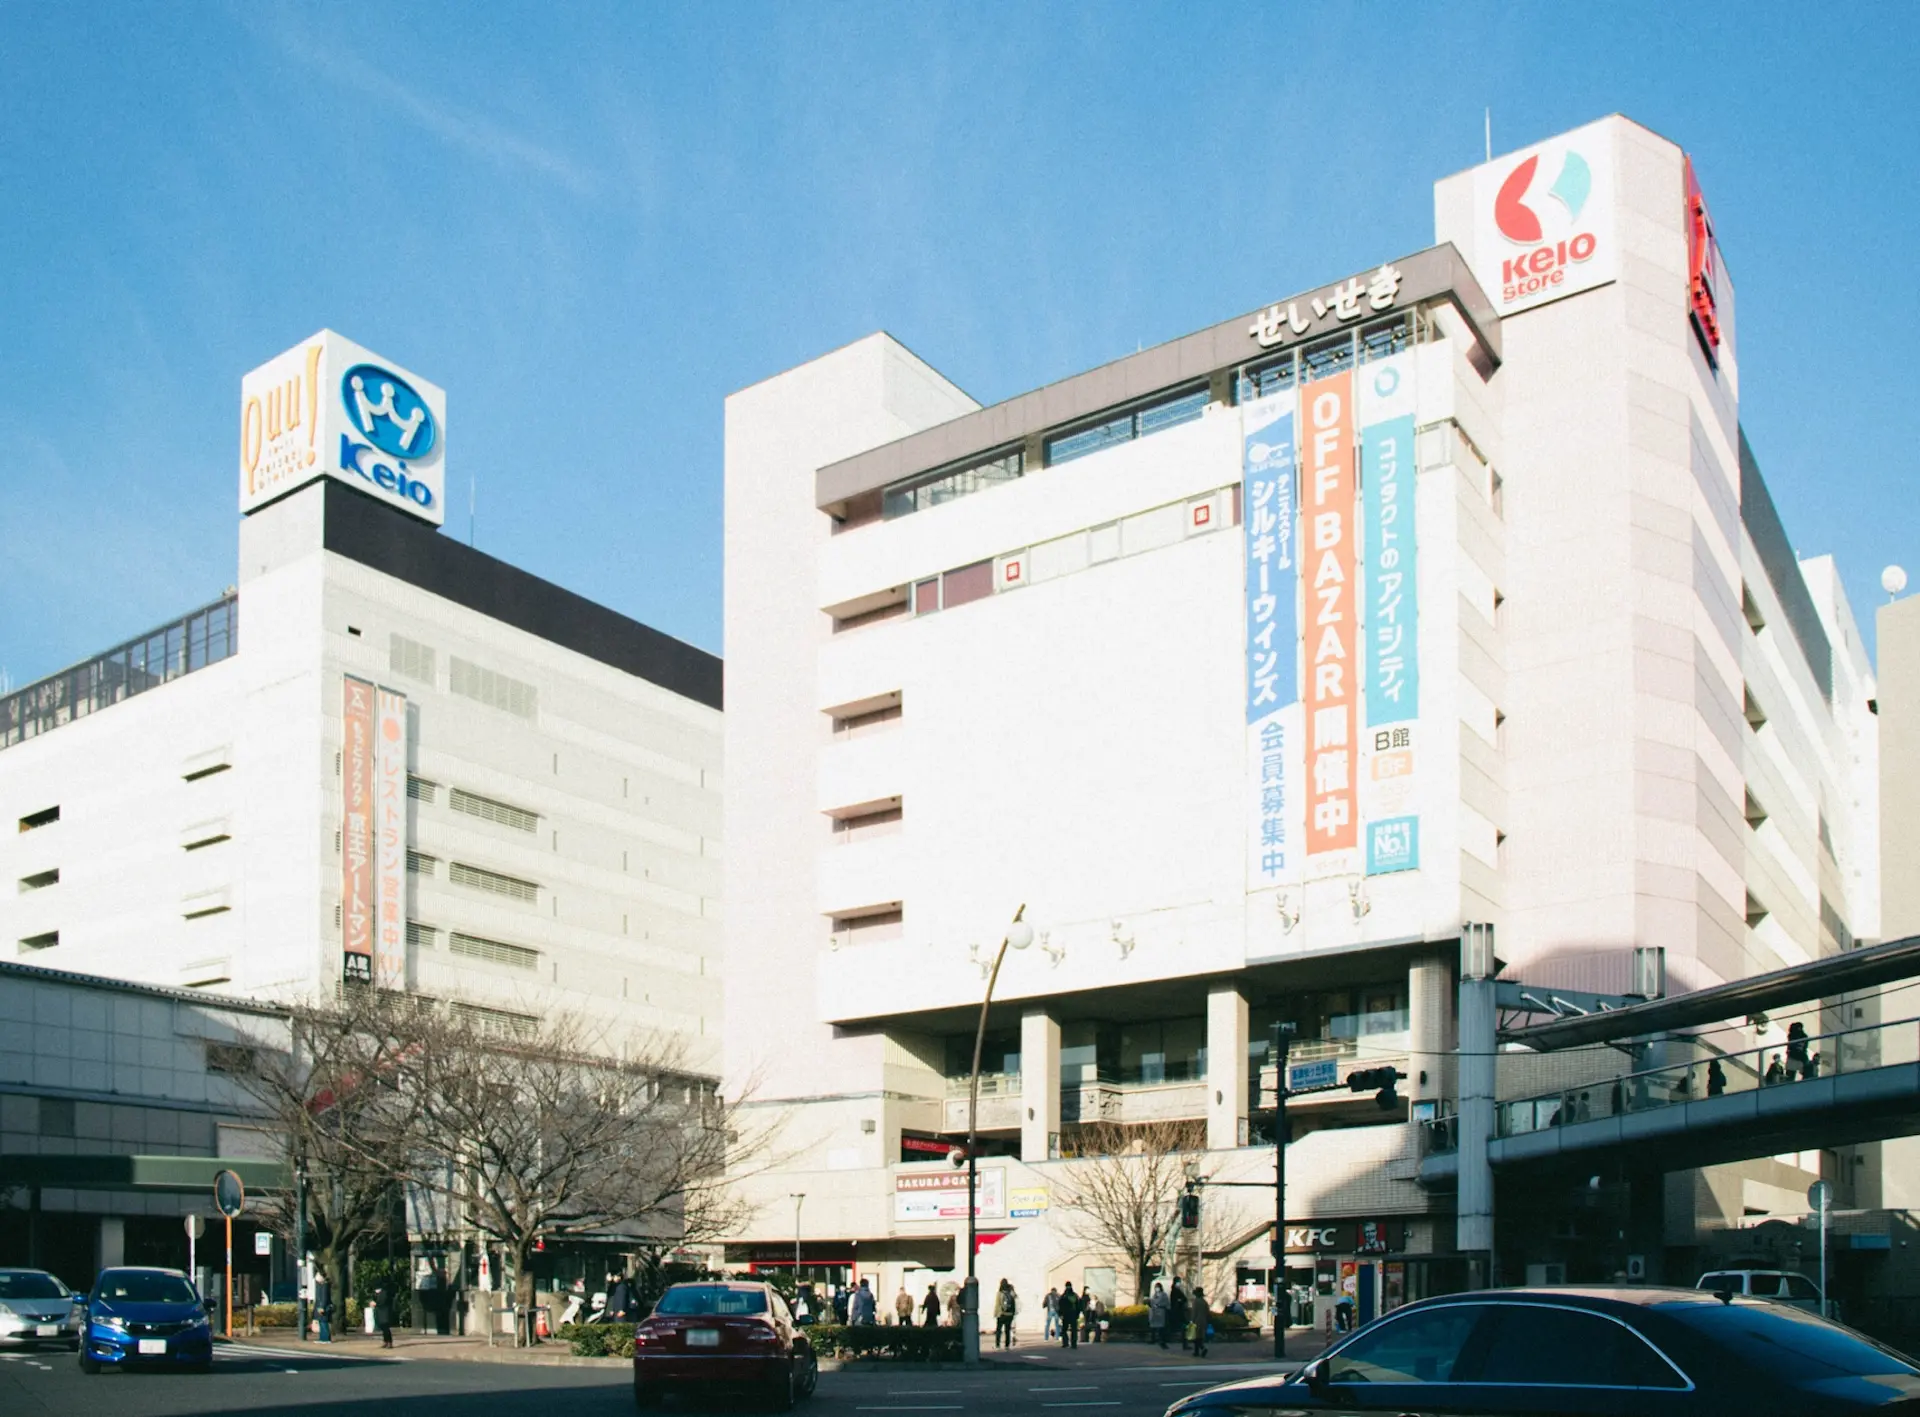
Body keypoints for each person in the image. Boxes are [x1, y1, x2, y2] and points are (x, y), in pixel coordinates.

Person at [993, 1279, 1018, 1349]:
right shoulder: (1010, 1292)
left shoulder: (999, 1293)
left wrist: (995, 1314)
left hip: (1001, 1314)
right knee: (1007, 1330)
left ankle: (997, 1345)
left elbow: (997, 1304)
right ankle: (1007, 1345)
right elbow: (1016, 1298)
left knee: (999, 1330)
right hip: (1009, 1314)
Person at [1169, 1279, 1189, 1352]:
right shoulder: (1175, 1291)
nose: (1179, 1284)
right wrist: (1180, 1301)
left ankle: (1185, 1343)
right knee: (1183, 1327)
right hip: (1178, 1312)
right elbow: (1178, 1300)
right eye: (1178, 1282)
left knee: (1183, 1328)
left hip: (1179, 1312)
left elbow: (1183, 1299)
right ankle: (1184, 1343)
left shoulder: (1177, 1290)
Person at [1057, 1282, 1080, 1348]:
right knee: (1074, 1330)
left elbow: (1061, 1305)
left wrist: (1060, 1314)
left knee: (1064, 1329)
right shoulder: (1075, 1295)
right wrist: (1077, 1314)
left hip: (1066, 1314)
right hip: (1073, 1314)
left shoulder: (1064, 1296)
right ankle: (1074, 1344)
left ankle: (1065, 1343)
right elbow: (1079, 1305)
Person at [1148, 1281, 1169, 1349]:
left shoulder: (1164, 1295)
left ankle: (1162, 1340)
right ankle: (1153, 1339)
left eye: (1158, 1287)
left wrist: (1159, 1305)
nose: (1157, 1289)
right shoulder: (1154, 1295)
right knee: (1153, 1327)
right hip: (1154, 1313)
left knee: (1161, 1327)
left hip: (1161, 1312)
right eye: (1156, 1287)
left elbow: (1166, 1303)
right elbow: (1151, 1302)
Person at [375, 1278, 394, 1348]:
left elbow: (382, 1302)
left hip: (385, 1312)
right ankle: (385, 1341)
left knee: (386, 1327)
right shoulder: (380, 1293)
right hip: (381, 1312)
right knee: (383, 1327)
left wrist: (376, 1304)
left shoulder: (384, 1293)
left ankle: (389, 1342)